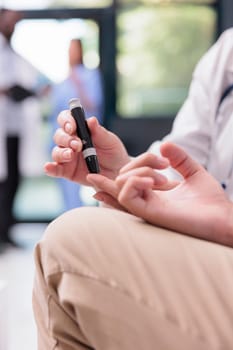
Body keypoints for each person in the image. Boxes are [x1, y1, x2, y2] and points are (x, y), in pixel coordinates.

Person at [33, 28, 233, 349]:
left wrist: (226, 224)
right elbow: (180, 159)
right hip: (213, 253)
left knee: (73, 244)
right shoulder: (227, 54)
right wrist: (124, 172)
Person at [0, 8, 49, 249]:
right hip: (3, 124)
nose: (14, 26)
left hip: (14, 127)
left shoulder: (12, 52)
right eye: (10, 21)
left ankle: (6, 230)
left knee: (12, 180)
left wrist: (26, 91)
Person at [49, 38, 103, 211]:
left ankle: (83, 215)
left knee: (89, 180)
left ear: (81, 51)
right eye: (69, 50)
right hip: (63, 139)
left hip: (83, 138)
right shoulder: (61, 81)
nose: (71, 53)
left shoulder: (90, 75)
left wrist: (77, 84)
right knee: (65, 182)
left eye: (74, 49)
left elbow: (93, 104)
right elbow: (55, 111)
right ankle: (69, 214)